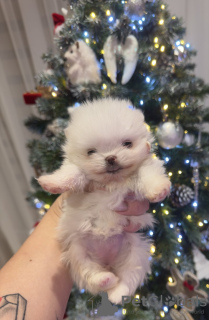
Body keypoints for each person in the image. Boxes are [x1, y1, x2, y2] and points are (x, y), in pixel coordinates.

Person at [0, 192, 149, 320]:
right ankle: (96, 276)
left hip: (112, 230)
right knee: (79, 253)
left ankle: (121, 283)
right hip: (89, 231)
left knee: (135, 252)